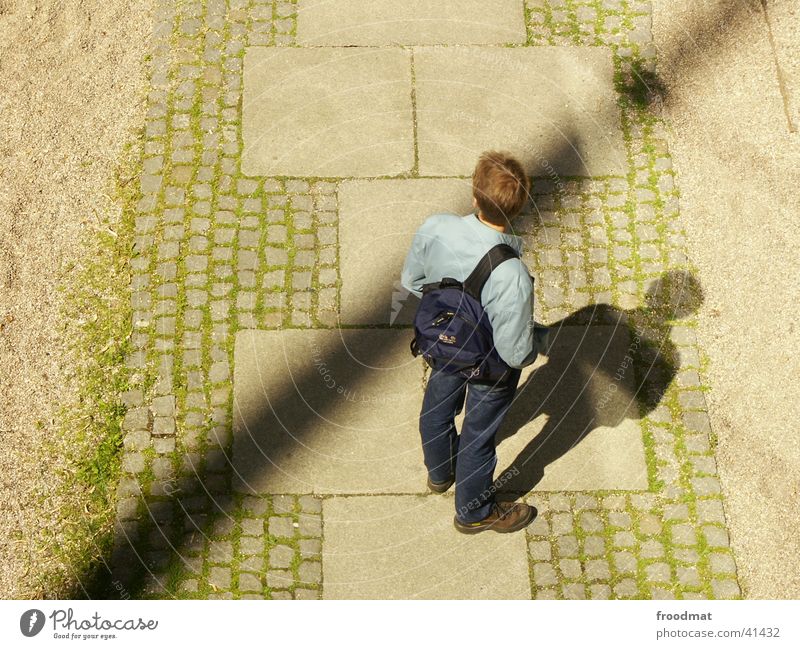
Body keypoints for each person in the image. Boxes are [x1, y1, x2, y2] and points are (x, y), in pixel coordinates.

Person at [400, 151, 544, 534]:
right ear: (519, 208)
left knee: (437, 405)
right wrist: (535, 344)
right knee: (478, 436)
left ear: (475, 196)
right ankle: (474, 511)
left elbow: (412, 282)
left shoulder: (436, 226)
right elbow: (515, 352)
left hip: (443, 344)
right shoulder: (511, 273)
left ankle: (440, 472)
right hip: (489, 365)